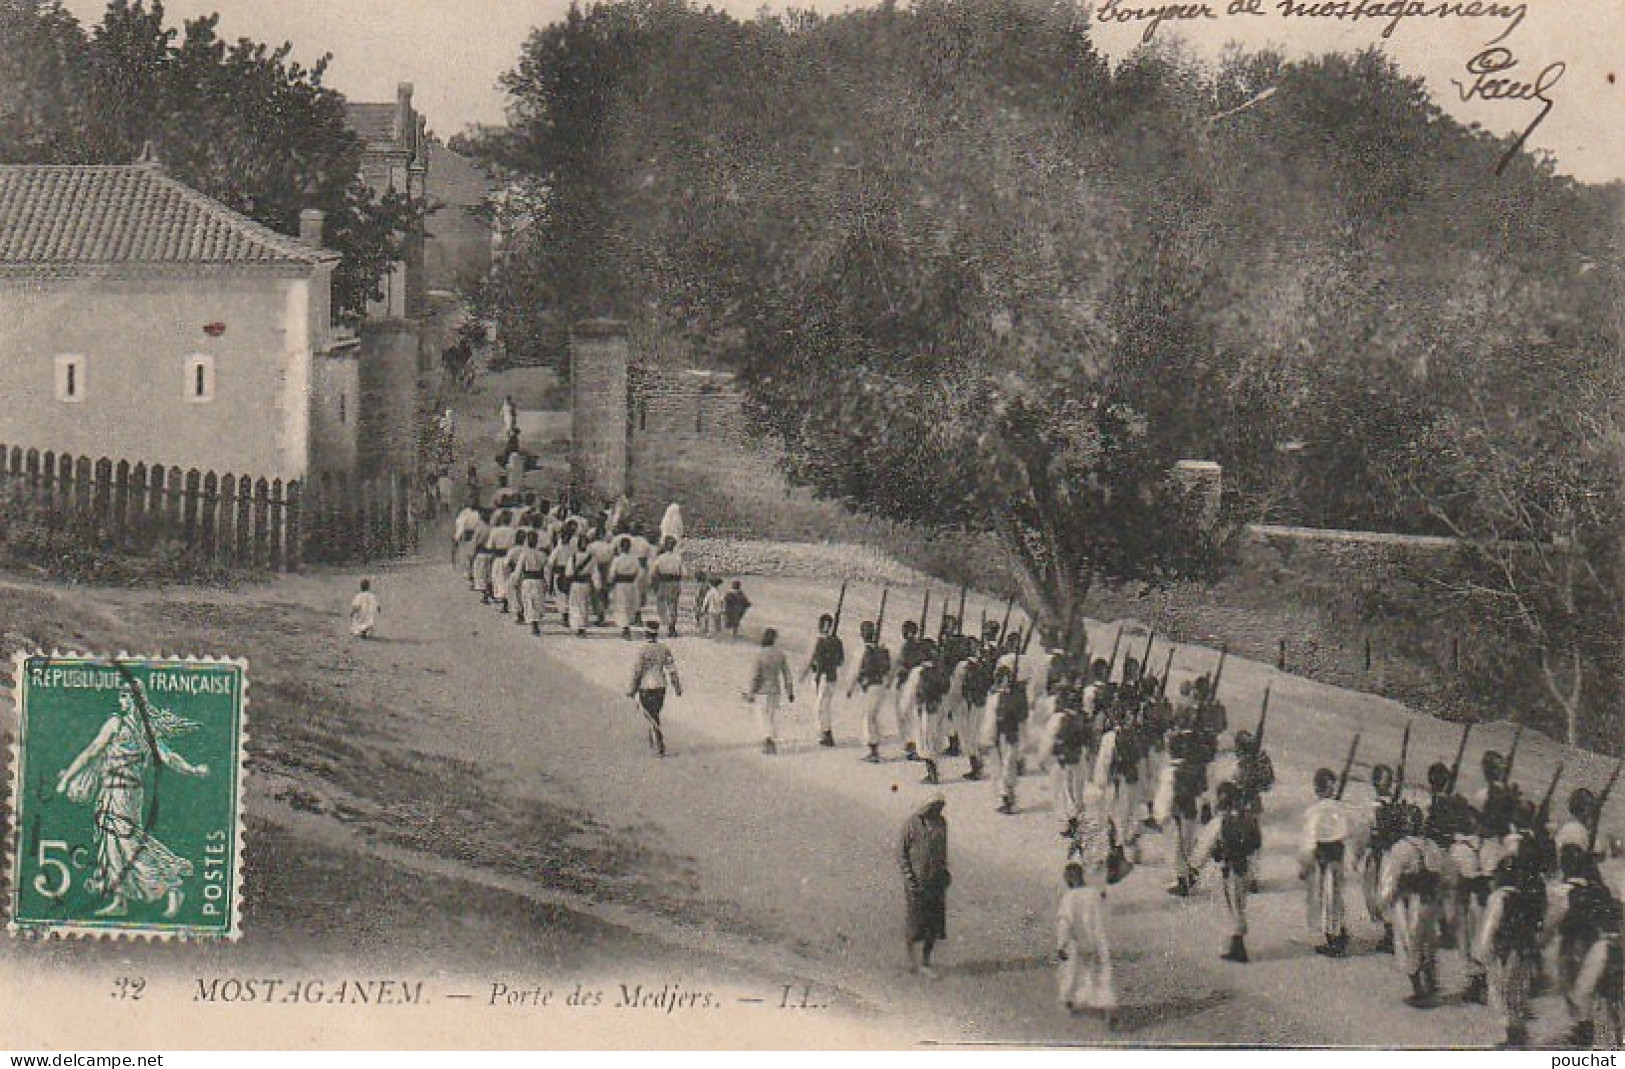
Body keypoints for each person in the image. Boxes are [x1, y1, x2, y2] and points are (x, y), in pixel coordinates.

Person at [55, 681, 210, 918]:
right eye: (122, 696)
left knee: (127, 843)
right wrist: (68, 776)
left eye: (127, 696)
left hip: (125, 793)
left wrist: (191, 770)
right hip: (111, 790)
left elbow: (167, 756)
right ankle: (120, 900)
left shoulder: (134, 727)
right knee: (111, 846)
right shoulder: (123, 724)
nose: (122, 701)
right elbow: (92, 751)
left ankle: (171, 884)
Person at [1478, 844, 1547, 1047]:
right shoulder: (1525, 895)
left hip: (1504, 951)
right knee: (1516, 991)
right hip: (1524, 949)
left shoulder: (1499, 898)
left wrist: (1482, 954)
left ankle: (1512, 1036)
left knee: (1500, 991)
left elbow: (1488, 929)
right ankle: (1518, 1034)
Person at [1380, 803, 1446, 1008]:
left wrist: (1384, 902)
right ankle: (1432, 984)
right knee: (1428, 942)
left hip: (1408, 902)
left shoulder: (1400, 849)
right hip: (1430, 900)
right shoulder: (1433, 847)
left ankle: (1419, 990)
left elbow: (1390, 879)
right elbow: (1441, 876)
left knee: (1409, 944)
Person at [1209, 780, 1263, 963]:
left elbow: (1205, 845)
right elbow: (1256, 845)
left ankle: (1235, 945)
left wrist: (1193, 868)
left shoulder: (1219, 822)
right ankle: (1235, 943)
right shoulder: (1248, 819)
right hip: (1243, 867)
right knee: (1238, 904)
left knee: (1227, 907)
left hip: (1225, 868)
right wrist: (1254, 874)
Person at [1300, 767, 1352, 956]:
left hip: (1321, 857)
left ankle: (1334, 937)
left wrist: (1304, 864)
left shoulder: (1313, 811)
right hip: (1337, 855)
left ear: (1316, 789)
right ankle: (1337, 932)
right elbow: (1347, 832)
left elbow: (1309, 840)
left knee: (1322, 897)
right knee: (1335, 896)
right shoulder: (1340, 808)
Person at [899, 793, 951, 978]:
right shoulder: (912, 824)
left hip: (936, 881)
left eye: (940, 806)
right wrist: (909, 878)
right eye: (934, 806)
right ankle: (911, 960)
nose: (937, 809)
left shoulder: (942, 824)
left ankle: (925, 962)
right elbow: (902, 854)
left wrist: (945, 873)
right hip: (917, 881)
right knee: (915, 922)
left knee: (934, 925)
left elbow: (943, 852)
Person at [1055, 861, 1115, 1018]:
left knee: (1071, 971)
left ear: (1069, 880)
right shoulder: (1094, 894)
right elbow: (1103, 915)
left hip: (1076, 941)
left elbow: (1065, 922)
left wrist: (1061, 945)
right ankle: (1104, 1003)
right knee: (1099, 971)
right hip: (1097, 939)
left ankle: (1068, 1000)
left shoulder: (1068, 897)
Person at [627, 619, 683, 757]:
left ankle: (659, 743)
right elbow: (672, 669)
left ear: (646, 633)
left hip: (646, 686)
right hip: (660, 686)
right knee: (655, 712)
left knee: (650, 715)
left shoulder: (643, 650)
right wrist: (677, 686)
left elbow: (637, 672)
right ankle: (653, 739)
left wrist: (632, 690)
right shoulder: (664, 649)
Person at [745, 628, 795, 755]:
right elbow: (787, 674)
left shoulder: (760, 654)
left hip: (762, 690)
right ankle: (771, 739)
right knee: (772, 716)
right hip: (775, 690)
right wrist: (789, 690)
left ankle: (767, 740)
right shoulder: (780, 654)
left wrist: (751, 692)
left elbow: (756, 676)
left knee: (762, 715)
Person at [851, 620, 895, 763]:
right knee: (873, 716)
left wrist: (850, 688)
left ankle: (874, 750)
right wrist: (888, 682)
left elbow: (856, 671)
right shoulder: (882, 650)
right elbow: (888, 670)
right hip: (880, 686)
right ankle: (874, 747)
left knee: (869, 717)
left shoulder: (863, 651)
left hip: (869, 686)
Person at [802, 613, 845, 748]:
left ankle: (825, 733)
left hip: (824, 676)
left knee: (820, 706)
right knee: (823, 705)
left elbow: (838, 660)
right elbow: (840, 661)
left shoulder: (822, 641)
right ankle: (825, 732)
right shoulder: (835, 641)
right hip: (828, 676)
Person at [992, 665, 1029, 815]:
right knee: (1004, 768)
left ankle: (1010, 802)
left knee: (1006, 769)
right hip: (1004, 735)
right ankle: (1007, 800)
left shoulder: (1011, 697)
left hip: (1008, 735)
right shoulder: (1007, 696)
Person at [515, 531, 550, 636]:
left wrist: (516, 580)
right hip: (538, 580)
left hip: (528, 580)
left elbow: (519, 569)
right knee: (537, 601)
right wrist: (547, 582)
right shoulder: (542, 555)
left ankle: (534, 624)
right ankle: (535, 623)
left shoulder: (524, 554)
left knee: (530, 601)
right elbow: (547, 570)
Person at [608, 536, 644, 639]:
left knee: (621, 606)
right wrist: (635, 580)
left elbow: (612, 573)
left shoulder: (617, 559)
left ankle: (625, 628)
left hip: (620, 585)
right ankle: (627, 626)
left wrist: (611, 582)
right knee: (629, 605)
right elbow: (640, 573)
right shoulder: (634, 559)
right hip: (631, 584)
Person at [650, 537, 685, 637]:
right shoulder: (678, 558)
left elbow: (654, 571)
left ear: (665, 546)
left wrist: (654, 583)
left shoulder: (660, 558)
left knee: (662, 605)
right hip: (674, 582)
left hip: (663, 582)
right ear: (674, 546)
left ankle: (667, 624)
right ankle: (671, 627)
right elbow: (683, 572)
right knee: (673, 605)